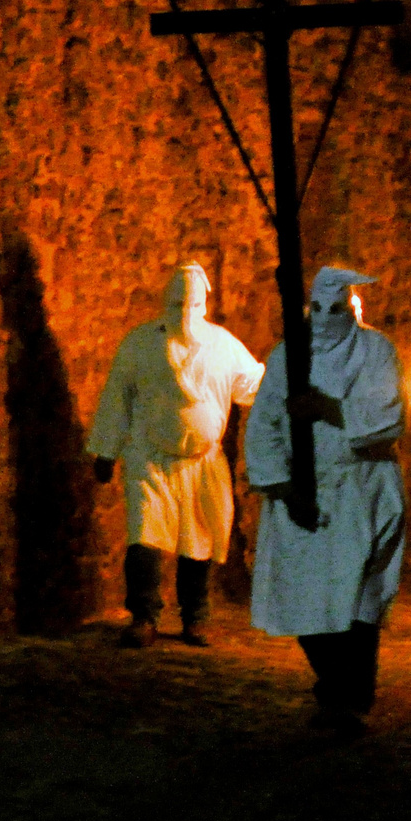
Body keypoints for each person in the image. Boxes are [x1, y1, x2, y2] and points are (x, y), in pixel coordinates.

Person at [245, 266, 405, 737]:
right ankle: (335, 684)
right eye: (319, 309)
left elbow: (385, 413)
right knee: (304, 595)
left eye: (337, 309)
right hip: (305, 489)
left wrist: (327, 409)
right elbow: (265, 422)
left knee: (356, 599)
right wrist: (283, 487)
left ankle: (347, 699)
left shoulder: (376, 351)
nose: (327, 318)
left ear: (352, 308)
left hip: (362, 490)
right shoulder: (285, 358)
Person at [88, 261, 265, 648]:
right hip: (150, 459)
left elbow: (254, 385)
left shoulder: (223, 345)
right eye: (177, 303)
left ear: (203, 305)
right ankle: (144, 615)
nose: (184, 312)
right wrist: (106, 450)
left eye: (191, 303)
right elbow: (117, 396)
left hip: (201, 463)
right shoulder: (140, 344)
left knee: (197, 541)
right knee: (146, 535)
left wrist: (287, 378)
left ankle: (195, 618)